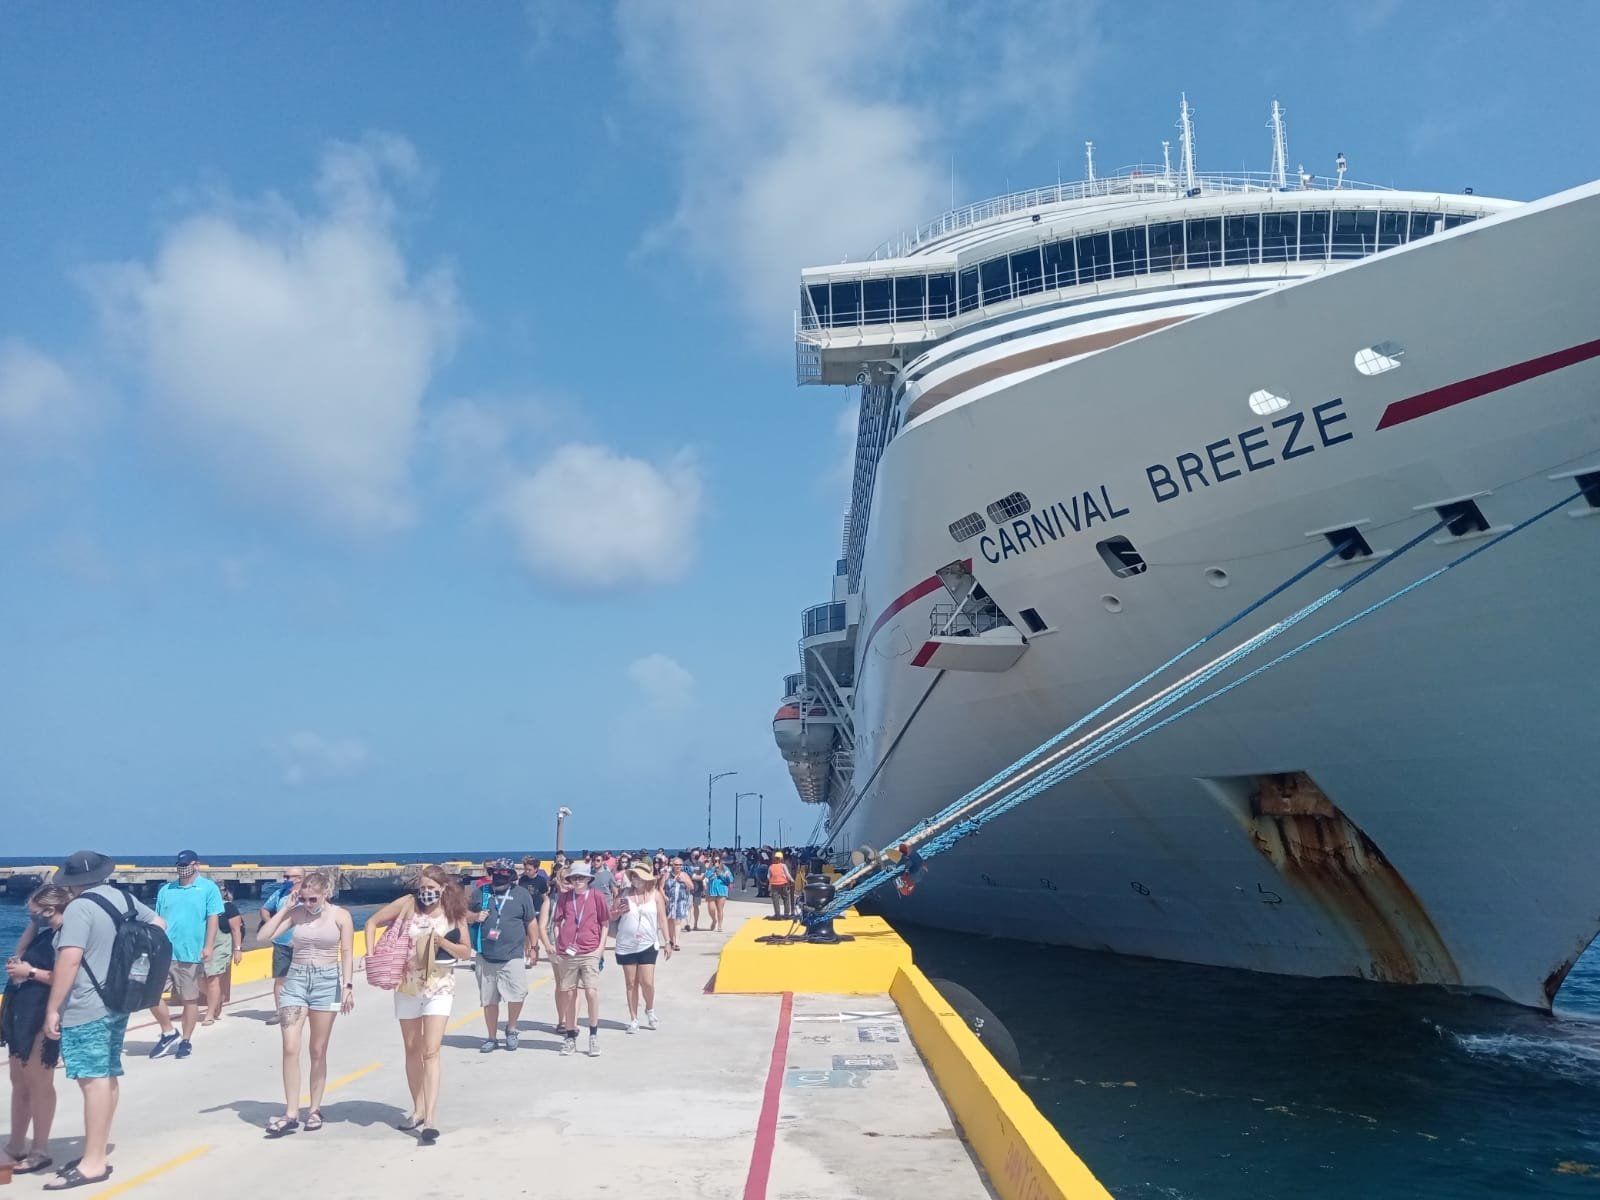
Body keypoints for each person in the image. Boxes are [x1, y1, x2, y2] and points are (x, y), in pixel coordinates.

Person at [42, 850, 165, 1192]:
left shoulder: (81, 907)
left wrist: (53, 1009)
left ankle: (93, 1162)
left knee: (92, 1079)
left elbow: (69, 959)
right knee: (107, 1074)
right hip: (117, 999)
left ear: (72, 881)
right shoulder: (122, 897)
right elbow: (159, 925)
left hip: (87, 1003)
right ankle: (96, 1151)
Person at [363, 866, 471, 1145]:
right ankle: (418, 1108)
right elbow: (372, 922)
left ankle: (431, 1119)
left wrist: (442, 942)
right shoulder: (408, 905)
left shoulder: (453, 912)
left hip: (439, 987)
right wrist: (373, 954)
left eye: (432, 887)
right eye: (422, 886)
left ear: (443, 887)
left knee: (431, 1050)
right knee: (412, 1048)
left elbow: (466, 951)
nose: (426, 892)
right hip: (407, 986)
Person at [255, 870, 355, 1137]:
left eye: (313, 899)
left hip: (326, 982)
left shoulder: (340, 916)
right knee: (290, 1047)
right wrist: (285, 909)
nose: (308, 904)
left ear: (326, 894)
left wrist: (347, 987)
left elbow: (346, 952)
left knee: (318, 1049)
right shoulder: (296, 913)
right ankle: (290, 1112)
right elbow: (262, 937)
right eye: (305, 899)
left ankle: (314, 1109)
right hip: (296, 981)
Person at [2, 885, 69, 1177]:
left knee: (39, 1080)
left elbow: (64, 976)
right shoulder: (46, 934)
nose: (32, 916)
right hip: (21, 1010)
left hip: (41, 1010)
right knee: (19, 1078)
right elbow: (20, 951)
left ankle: (40, 1148)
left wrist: (29, 973)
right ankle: (17, 1143)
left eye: (35, 912)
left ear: (51, 909)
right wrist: (33, 924)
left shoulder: (66, 937)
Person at [147, 850, 222, 1060]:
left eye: (186, 864)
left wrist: (208, 946)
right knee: (150, 995)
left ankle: (186, 1040)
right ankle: (169, 1031)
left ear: (196, 864)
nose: (183, 868)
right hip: (164, 951)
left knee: (189, 998)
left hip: (190, 952)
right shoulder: (166, 890)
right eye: (179, 864)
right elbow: (158, 919)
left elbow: (213, 918)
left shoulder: (208, 888)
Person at [469, 859, 540, 1053]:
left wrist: (534, 947)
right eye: (496, 872)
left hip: (513, 954)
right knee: (489, 1000)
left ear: (511, 875)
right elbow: (461, 915)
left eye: (504, 872)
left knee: (518, 994)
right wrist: (475, 917)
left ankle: (511, 1028)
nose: (499, 875)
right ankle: (492, 1037)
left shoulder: (521, 894)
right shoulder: (481, 893)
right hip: (485, 955)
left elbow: (531, 922)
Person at [542, 861, 609, 1058]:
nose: (578, 881)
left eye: (581, 878)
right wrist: (559, 942)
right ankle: (570, 1035)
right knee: (569, 994)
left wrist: (600, 948)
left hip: (590, 951)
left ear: (589, 879)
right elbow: (556, 922)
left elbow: (604, 923)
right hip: (568, 953)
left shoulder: (596, 896)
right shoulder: (564, 898)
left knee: (590, 992)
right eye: (574, 878)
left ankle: (593, 1035)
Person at [612, 866, 671, 1034]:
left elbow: (662, 919)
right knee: (631, 983)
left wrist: (668, 941)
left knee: (647, 982)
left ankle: (650, 1009)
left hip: (648, 943)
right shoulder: (624, 894)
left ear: (647, 879)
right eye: (634, 876)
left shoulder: (656, 896)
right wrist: (617, 911)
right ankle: (633, 1018)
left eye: (639, 877)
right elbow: (612, 915)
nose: (636, 880)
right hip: (626, 944)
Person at [259, 867, 304, 1024]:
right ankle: (280, 1011)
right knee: (280, 978)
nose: (284, 879)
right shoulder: (279, 893)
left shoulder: (308, 894)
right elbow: (264, 909)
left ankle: (305, 1010)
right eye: (284, 876)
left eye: (288, 876)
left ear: (299, 878)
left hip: (303, 944)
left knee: (303, 978)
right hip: (281, 943)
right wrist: (270, 924)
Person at [202, 885, 244, 1025]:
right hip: (202, 946)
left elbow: (236, 930)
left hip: (220, 947)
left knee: (213, 978)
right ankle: (217, 998)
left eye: (219, 890)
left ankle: (209, 1014)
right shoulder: (202, 906)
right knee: (197, 980)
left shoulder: (229, 908)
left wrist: (237, 949)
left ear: (224, 892)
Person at [662, 857, 690, 951]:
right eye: (676, 864)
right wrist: (664, 897)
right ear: (672, 865)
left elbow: (691, 886)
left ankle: (677, 942)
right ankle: (671, 940)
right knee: (670, 921)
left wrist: (684, 881)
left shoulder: (684, 875)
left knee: (677, 922)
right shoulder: (667, 875)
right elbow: (660, 887)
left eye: (680, 865)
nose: (678, 866)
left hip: (680, 901)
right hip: (669, 901)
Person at [706, 855, 733, 932]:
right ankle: (714, 920)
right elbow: (707, 875)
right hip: (712, 889)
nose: (716, 862)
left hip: (722, 889)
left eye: (718, 861)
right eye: (715, 861)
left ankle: (720, 925)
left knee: (720, 909)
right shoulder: (709, 868)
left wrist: (720, 873)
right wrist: (714, 868)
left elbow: (730, 878)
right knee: (711, 908)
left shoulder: (725, 868)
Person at [768, 851, 794, 919]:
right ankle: (786, 914)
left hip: (774, 885)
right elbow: (787, 874)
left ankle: (777, 915)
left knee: (775, 900)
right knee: (786, 898)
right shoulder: (783, 865)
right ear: (781, 858)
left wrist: (770, 884)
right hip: (783, 884)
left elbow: (768, 876)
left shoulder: (771, 866)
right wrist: (792, 880)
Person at [689, 861, 706, 931]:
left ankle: (695, 924)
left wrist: (693, 876)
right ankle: (688, 924)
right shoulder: (687, 863)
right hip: (688, 888)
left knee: (696, 906)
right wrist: (697, 877)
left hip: (698, 888)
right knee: (688, 907)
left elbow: (702, 877)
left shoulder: (701, 864)